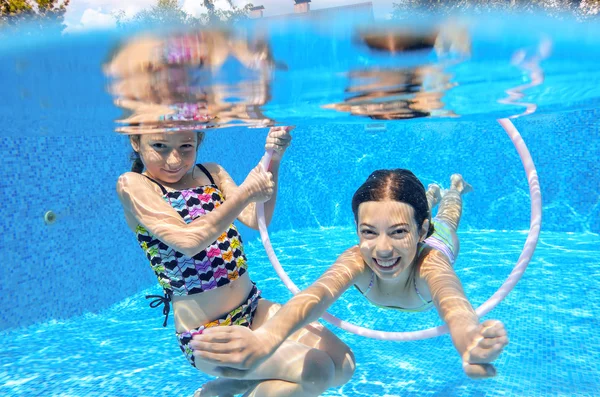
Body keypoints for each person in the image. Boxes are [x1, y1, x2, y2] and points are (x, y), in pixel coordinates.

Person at [190, 169, 509, 383]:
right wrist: (265, 339)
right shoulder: (357, 259)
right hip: (418, 224)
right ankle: (427, 196)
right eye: (368, 232)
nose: (382, 250)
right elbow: (313, 297)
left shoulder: (432, 264)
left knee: (448, 218)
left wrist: (470, 340)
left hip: (440, 239)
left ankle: (453, 190)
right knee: (411, 209)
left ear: (420, 232)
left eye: (399, 233)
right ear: (357, 230)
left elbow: (454, 302)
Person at [115, 127, 356, 397]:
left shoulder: (211, 173)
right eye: (159, 146)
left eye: (185, 147)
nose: (174, 160)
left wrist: (273, 159)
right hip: (207, 332)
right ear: (136, 141)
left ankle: (228, 387)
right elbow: (187, 240)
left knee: (343, 364)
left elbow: (255, 217)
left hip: (253, 308)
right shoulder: (134, 185)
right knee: (317, 370)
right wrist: (245, 194)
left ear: (198, 140)